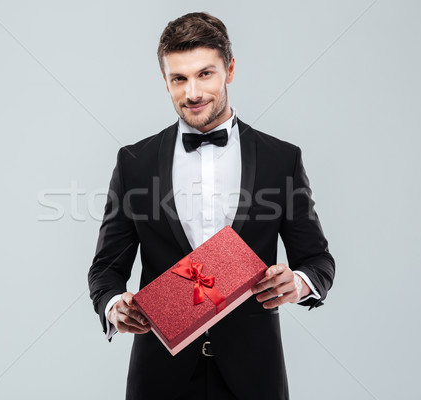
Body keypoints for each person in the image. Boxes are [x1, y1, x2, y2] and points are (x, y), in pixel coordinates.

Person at [88, 12, 335, 400]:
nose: (193, 93)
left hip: (255, 375)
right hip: (159, 376)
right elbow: (105, 270)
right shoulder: (134, 162)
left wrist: (298, 283)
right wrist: (115, 306)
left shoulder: (280, 159)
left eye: (205, 74)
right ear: (165, 81)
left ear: (230, 70)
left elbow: (319, 261)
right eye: (179, 78)